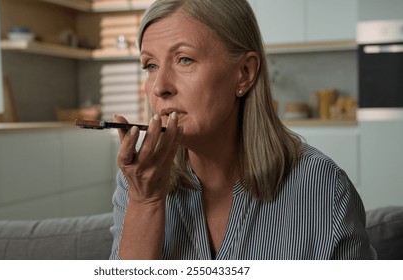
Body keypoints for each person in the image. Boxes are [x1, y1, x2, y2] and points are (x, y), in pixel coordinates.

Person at [109, 0, 376, 260]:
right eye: (151, 66)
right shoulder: (137, 183)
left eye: (185, 60)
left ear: (245, 73)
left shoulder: (324, 188)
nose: (159, 87)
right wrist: (145, 202)